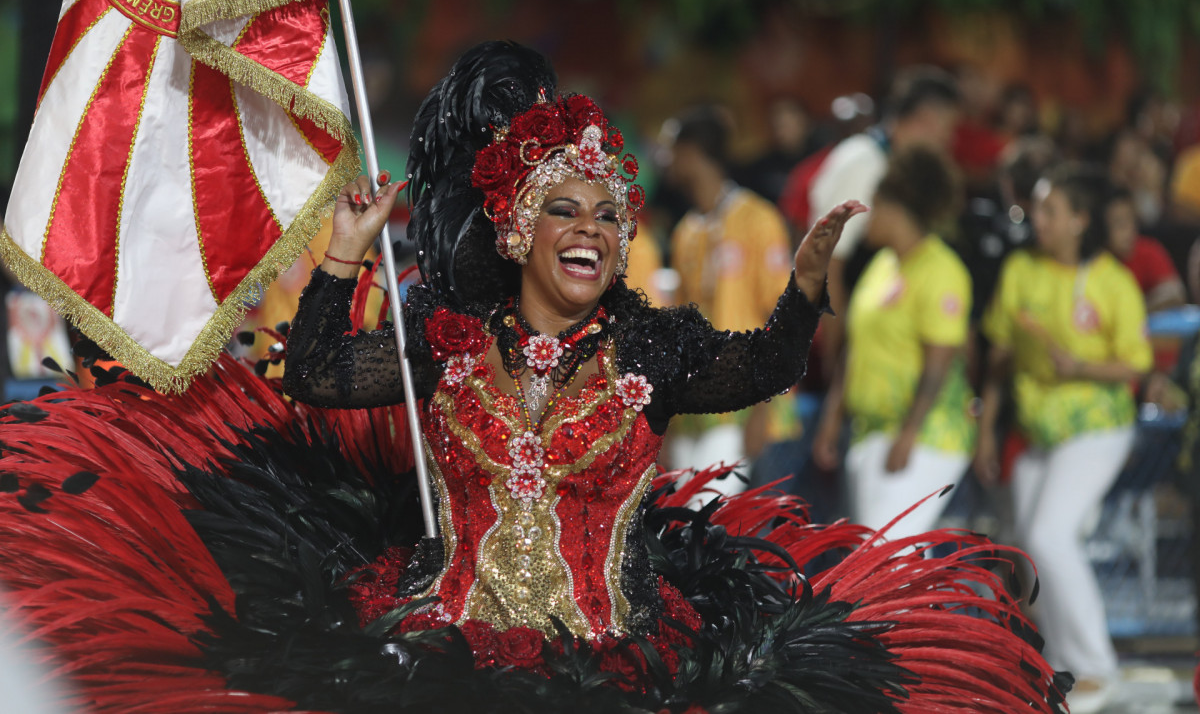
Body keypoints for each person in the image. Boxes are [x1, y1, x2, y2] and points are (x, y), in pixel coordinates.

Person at [0, 41, 1070, 713]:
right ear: (513, 232)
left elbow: (763, 369)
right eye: (566, 209)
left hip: (616, 658)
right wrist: (341, 256)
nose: (593, 232)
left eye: (610, 215)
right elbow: (320, 373)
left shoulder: (650, 349)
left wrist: (800, 294)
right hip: (442, 649)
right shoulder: (451, 345)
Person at [976, 163, 1153, 714]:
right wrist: (986, 430)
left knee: (1052, 535)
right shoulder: (1022, 270)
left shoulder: (1113, 281)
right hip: (1037, 433)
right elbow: (1000, 358)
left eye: (1051, 211)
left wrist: (1077, 364)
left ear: (1080, 220)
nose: (1039, 219)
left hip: (1098, 428)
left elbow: (1134, 365)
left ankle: (1098, 667)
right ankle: (1061, 668)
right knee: (1030, 547)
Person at [813, 147, 973, 538]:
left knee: (885, 556)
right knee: (891, 564)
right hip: (872, 433)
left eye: (874, 205)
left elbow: (939, 364)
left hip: (927, 437)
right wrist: (832, 418)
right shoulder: (882, 266)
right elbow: (856, 348)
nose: (865, 217)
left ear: (897, 209)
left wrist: (909, 434)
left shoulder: (942, 270)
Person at [661, 105, 798, 497]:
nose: (666, 160)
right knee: (686, 535)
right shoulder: (686, 230)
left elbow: (782, 317)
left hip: (743, 409)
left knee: (709, 526)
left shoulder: (758, 219)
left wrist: (763, 408)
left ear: (691, 152)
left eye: (671, 149)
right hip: (693, 412)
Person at [806, 66, 961, 374]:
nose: (948, 141)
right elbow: (827, 264)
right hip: (833, 349)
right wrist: (836, 362)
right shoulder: (864, 163)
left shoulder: (890, 163)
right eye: (947, 129)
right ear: (925, 120)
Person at [1106, 186, 1186, 312]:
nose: (1129, 230)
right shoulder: (1095, 262)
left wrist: (1136, 311)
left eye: (1132, 221)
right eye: (1120, 224)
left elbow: (1175, 294)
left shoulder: (1148, 250)